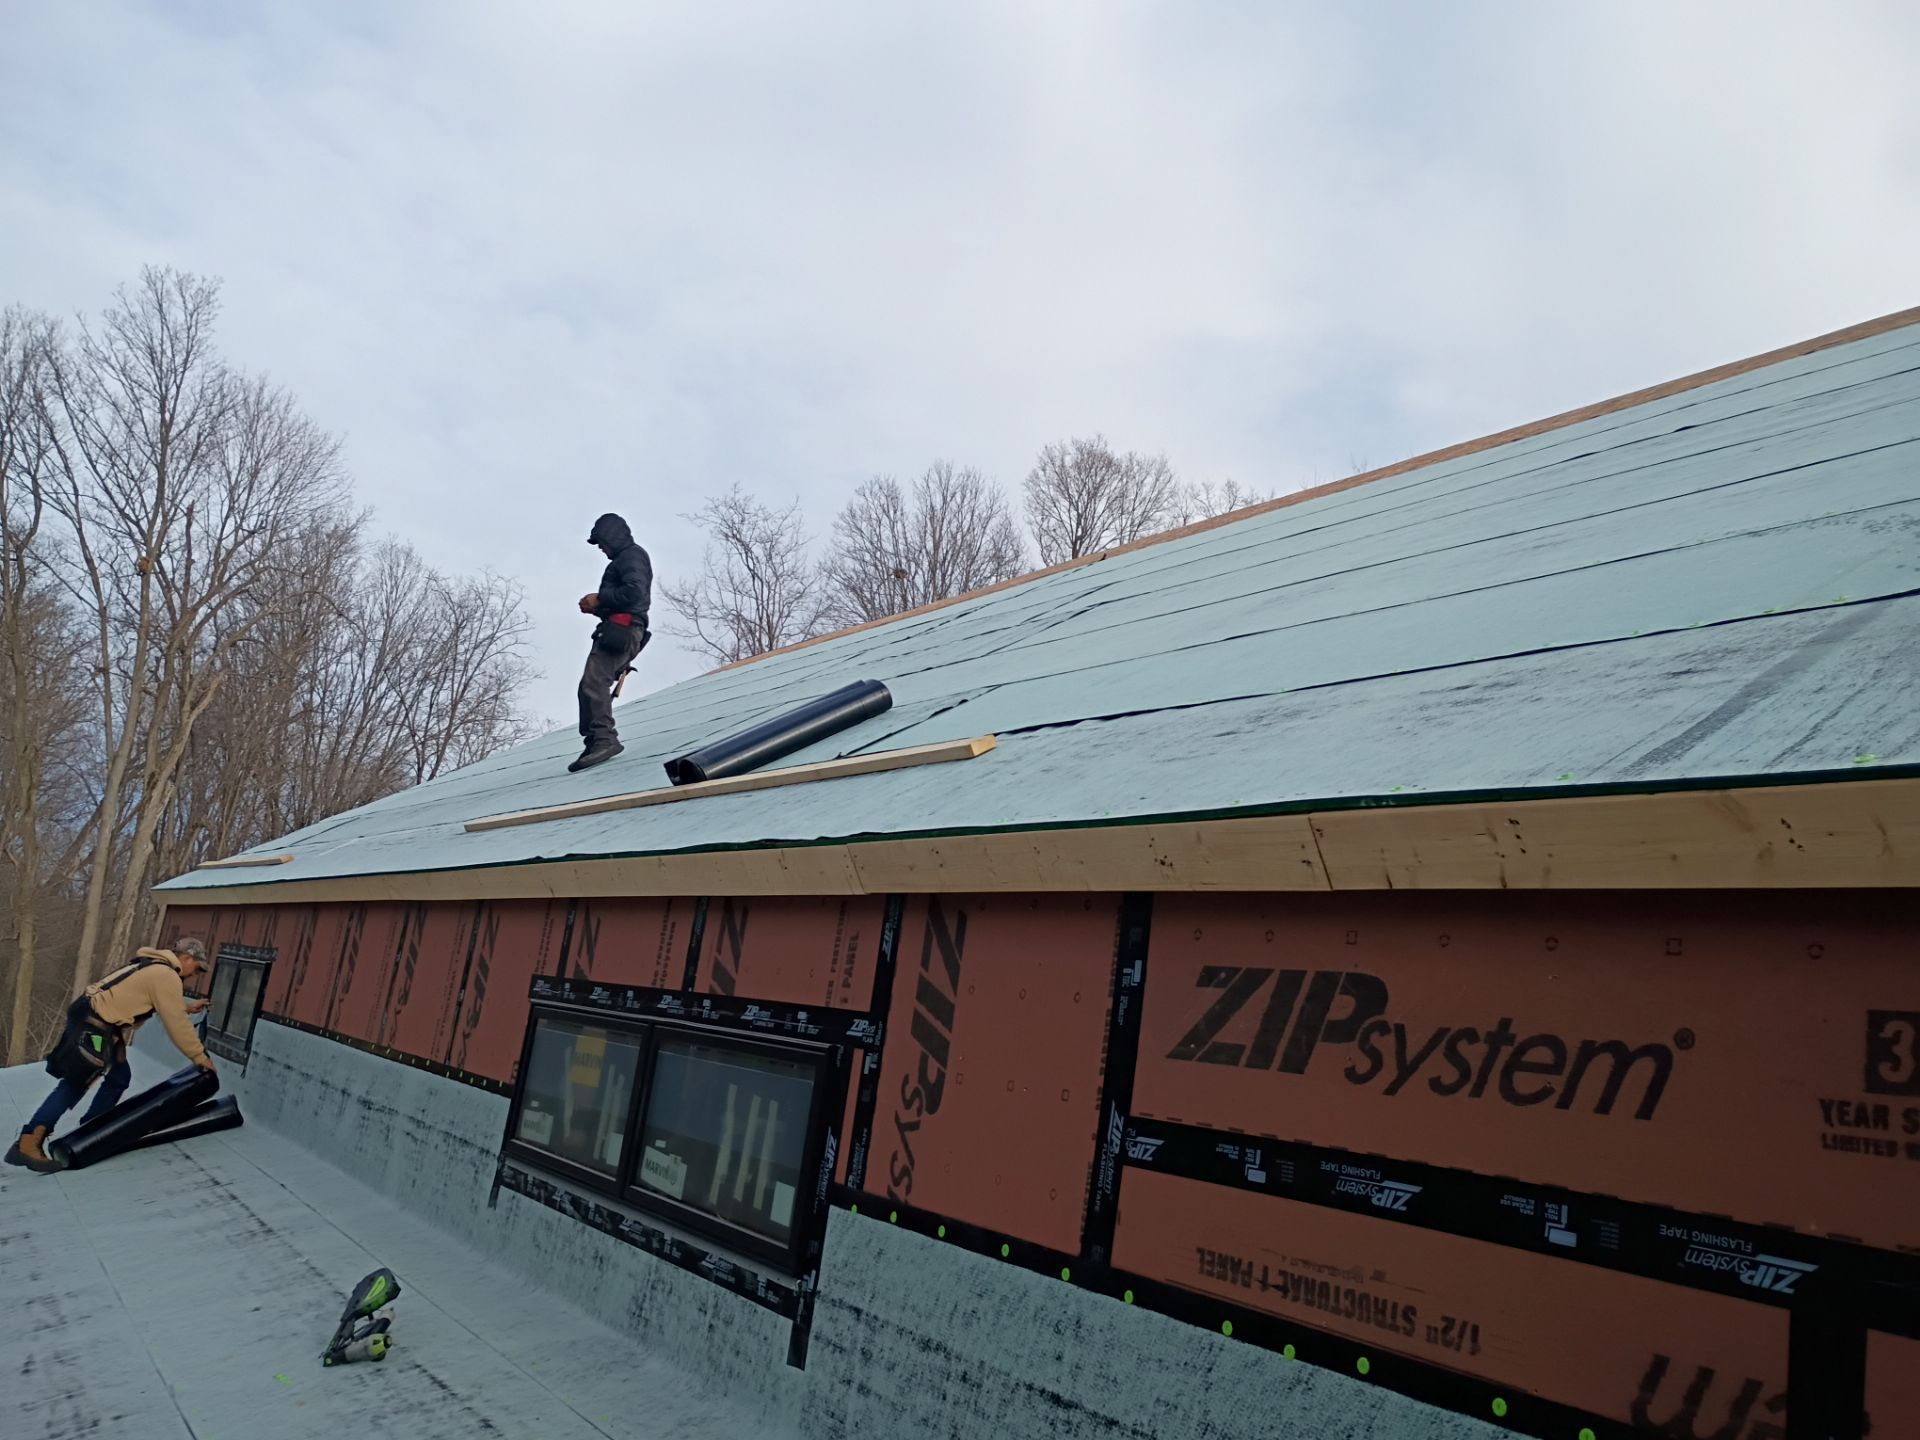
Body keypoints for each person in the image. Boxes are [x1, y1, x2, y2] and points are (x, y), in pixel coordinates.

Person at [5, 938, 215, 1175]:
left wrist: (187, 1006)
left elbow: (155, 997)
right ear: (187, 958)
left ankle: (90, 1130)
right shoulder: (166, 974)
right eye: (197, 968)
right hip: (95, 1026)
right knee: (75, 1083)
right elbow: (176, 1023)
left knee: (119, 1078)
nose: (195, 974)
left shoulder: (153, 964)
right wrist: (200, 1057)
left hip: (96, 1020)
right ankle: (29, 1140)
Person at [572, 512, 652, 773]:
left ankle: (604, 739)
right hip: (618, 627)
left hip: (624, 629)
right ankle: (594, 741)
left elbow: (635, 592)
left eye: (602, 543)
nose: (601, 549)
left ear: (613, 538)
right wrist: (597, 608)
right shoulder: (624, 559)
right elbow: (628, 599)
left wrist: (600, 598)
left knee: (595, 682)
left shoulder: (631, 556)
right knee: (588, 685)